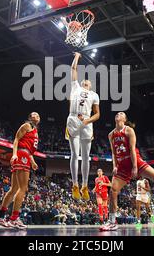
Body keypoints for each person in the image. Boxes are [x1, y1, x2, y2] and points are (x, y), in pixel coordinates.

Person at [0, 112, 40, 230]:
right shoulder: (26, 126)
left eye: (38, 115)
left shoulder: (35, 131)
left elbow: (28, 149)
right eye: (34, 115)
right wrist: (14, 155)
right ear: (29, 118)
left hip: (26, 155)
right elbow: (16, 140)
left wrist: (33, 161)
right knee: (23, 188)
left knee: (14, 189)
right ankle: (14, 218)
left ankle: (1, 216)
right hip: (21, 154)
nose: (36, 116)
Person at [66, 52, 100, 201]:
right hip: (73, 118)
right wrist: (77, 57)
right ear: (81, 84)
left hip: (87, 121)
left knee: (86, 157)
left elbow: (97, 114)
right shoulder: (75, 88)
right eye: (84, 82)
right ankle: (74, 185)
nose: (86, 84)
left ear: (91, 86)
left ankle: (84, 185)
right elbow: (73, 69)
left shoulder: (94, 95)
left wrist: (87, 121)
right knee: (75, 154)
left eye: (88, 83)